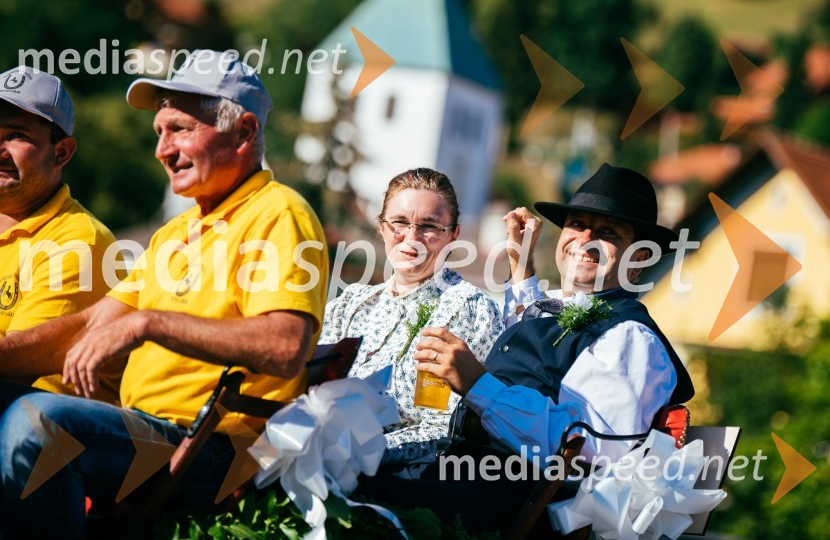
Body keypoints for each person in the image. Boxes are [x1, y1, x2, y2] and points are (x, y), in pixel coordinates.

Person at [0, 50, 328, 538]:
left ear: (244, 132)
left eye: (180, 129)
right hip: (146, 430)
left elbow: (286, 346)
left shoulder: (279, 213)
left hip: (212, 448)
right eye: (159, 132)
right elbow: (91, 325)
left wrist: (148, 323)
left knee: (36, 424)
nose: (162, 148)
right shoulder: (176, 232)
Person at [363, 163, 694, 533]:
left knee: (364, 491)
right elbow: (533, 342)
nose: (584, 240)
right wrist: (521, 267)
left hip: (516, 503)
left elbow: (589, 450)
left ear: (640, 260)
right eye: (577, 225)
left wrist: (478, 386)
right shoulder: (565, 306)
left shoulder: (631, 338)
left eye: (608, 232)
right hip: (467, 475)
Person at [318, 168, 504, 465]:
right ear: (381, 226)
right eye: (400, 222)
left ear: (454, 235)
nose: (412, 237)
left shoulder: (467, 309)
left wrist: (356, 455)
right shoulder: (351, 304)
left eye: (429, 226)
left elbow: (442, 431)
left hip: (395, 481)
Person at [0, 66, 123, 404]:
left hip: (52, 437)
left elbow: (15, 362)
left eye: (16, 135)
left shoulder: (76, 242)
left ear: (62, 152)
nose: (0, 147)